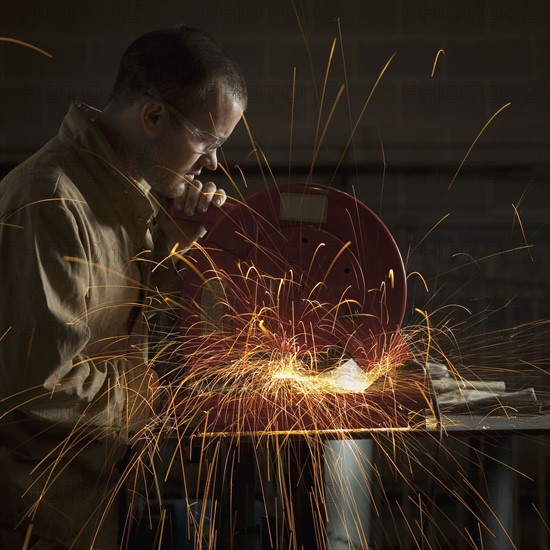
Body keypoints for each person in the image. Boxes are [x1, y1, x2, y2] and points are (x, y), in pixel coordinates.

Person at [0, 25, 247, 549]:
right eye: (207, 141)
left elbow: (110, 324)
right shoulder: (50, 202)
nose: (213, 164)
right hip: (37, 517)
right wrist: (159, 405)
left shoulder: (123, 192)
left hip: (93, 504)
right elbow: (39, 388)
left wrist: (172, 246)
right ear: (154, 116)